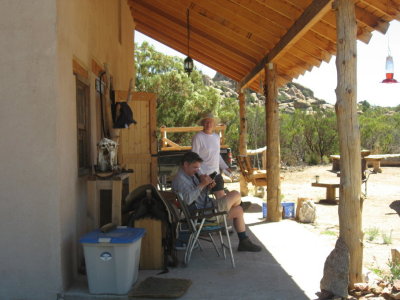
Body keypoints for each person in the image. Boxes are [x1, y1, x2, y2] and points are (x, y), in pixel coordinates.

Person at [171, 151, 262, 252]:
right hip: (204, 214)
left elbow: (197, 195)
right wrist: (202, 185)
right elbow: (188, 200)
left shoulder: (188, 176)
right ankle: (236, 205)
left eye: (198, 167)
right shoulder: (180, 180)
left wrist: (206, 186)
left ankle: (244, 241)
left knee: (239, 210)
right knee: (236, 194)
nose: (197, 170)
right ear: (186, 164)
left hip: (206, 208)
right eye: (195, 167)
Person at [192, 112, 251, 210]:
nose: (208, 124)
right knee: (221, 201)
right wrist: (201, 175)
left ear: (214, 124)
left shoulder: (216, 137)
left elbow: (217, 155)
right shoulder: (198, 137)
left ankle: (236, 209)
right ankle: (237, 207)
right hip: (205, 176)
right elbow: (193, 158)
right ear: (203, 124)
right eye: (206, 122)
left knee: (223, 200)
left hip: (216, 174)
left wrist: (225, 167)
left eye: (210, 122)